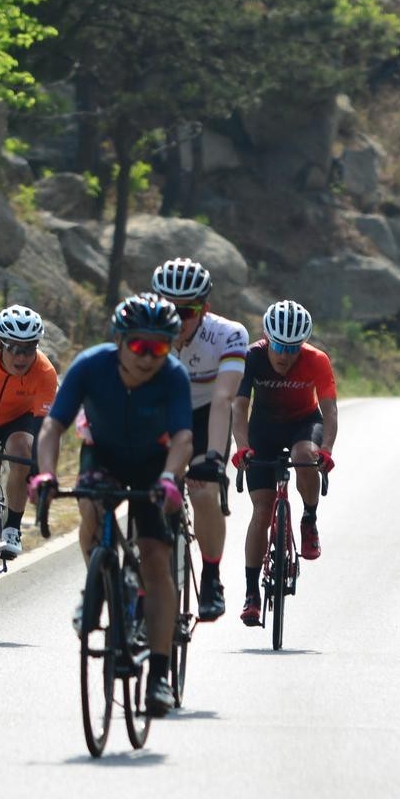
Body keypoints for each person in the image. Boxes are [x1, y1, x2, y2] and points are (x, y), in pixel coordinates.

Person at [29, 294, 195, 716]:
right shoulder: (90, 365)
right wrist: (45, 474)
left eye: (160, 346)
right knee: (90, 505)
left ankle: (158, 677)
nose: (148, 356)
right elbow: (52, 426)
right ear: (119, 340)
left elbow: (183, 438)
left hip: (153, 463)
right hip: (102, 456)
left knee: (155, 560)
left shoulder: (173, 376)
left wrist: (169, 477)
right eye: (139, 344)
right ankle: (102, 581)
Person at [230, 300, 338, 626]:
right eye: (278, 346)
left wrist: (327, 449)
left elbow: (329, 410)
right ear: (267, 339)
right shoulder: (251, 357)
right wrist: (242, 447)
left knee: (305, 457)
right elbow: (239, 407)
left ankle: (309, 518)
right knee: (262, 510)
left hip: (303, 424)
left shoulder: (316, 359)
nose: (284, 355)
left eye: (293, 348)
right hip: (263, 428)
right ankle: (251, 594)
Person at [153, 257, 248, 621]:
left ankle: (211, 577)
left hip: (207, 414)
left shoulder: (228, 335)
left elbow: (224, 400)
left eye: (187, 311)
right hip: (161, 415)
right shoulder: (143, 331)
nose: (177, 320)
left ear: (204, 309)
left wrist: (214, 460)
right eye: (168, 309)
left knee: (204, 492)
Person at [0, 304, 58, 560]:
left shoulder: (45, 372)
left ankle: (12, 528)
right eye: (15, 349)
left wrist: (38, 469)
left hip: (18, 421)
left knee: (22, 451)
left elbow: (43, 427)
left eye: (29, 349)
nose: (22, 357)